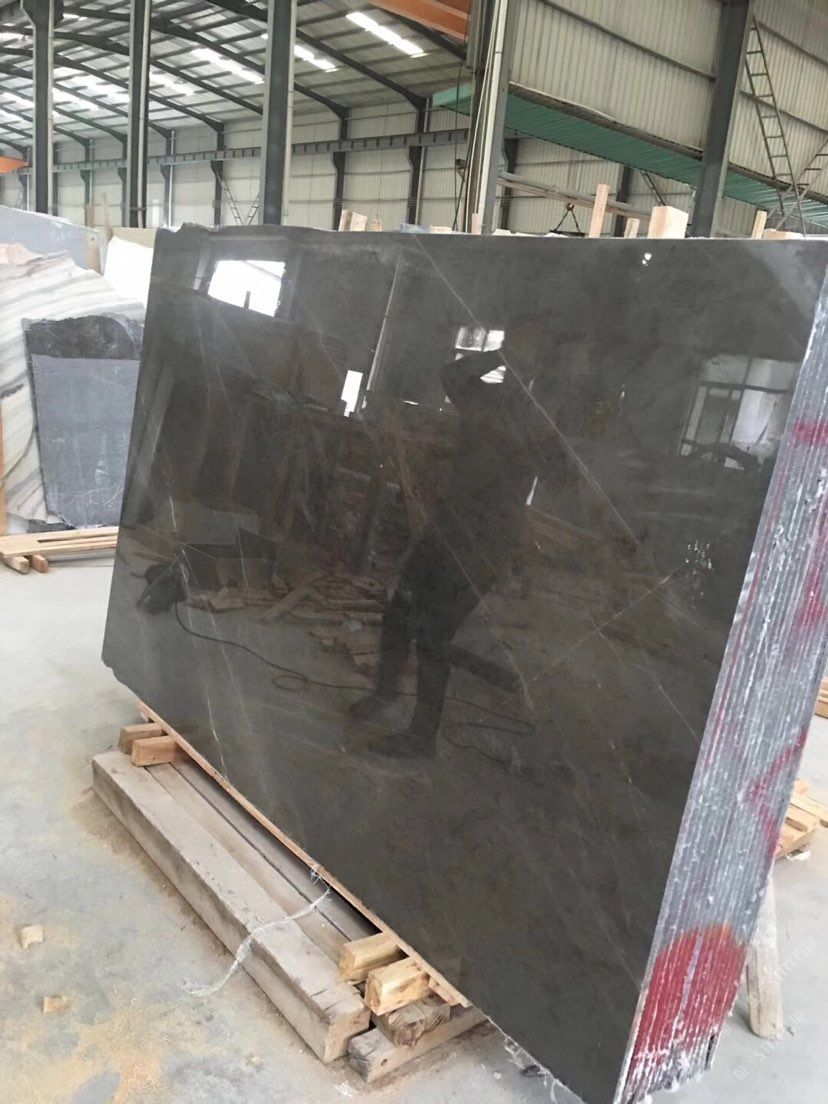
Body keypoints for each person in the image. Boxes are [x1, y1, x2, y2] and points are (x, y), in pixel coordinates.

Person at [351, 320, 565, 758]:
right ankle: (384, 693)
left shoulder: (541, 421)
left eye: (531, 350)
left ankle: (421, 736)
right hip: (448, 525)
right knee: (399, 610)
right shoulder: (487, 398)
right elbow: (450, 375)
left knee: (435, 633)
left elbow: (562, 473)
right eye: (515, 345)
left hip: (487, 540)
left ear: (543, 363)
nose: (521, 356)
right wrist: (500, 358)